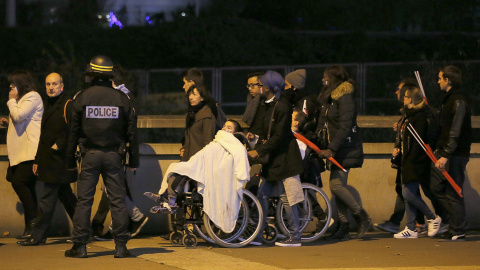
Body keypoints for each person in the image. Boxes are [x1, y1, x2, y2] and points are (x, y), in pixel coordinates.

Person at [65, 55, 139, 258]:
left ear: (91, 75)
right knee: (117, 200)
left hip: (89, 155)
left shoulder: (82, 97)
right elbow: (132, 132)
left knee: (84, 201)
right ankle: (121, 246)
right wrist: (134, 160)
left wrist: (69, 159)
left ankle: (80, 246)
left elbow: (73, 131)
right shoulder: (121, 98)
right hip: (114, 156)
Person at [17, 73, 78, 246]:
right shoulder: (48, 104)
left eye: (54, 84)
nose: (51, 87)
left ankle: (38, 236)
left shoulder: (67, 104)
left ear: (62, 86)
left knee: (46, 200)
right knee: (67, 198)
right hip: (51, 161)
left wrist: (58, 145)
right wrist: (37, 159)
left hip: (59, 161)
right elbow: (44, 137)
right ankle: (85, 231)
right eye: (48, 84)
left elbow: (73, 130)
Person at [248, 70, 304, 247]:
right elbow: (265, 130)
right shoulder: (267, 103)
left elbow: (279, 136)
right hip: (274, 159)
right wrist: (254, 137)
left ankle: (295, 236)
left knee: (288, 197)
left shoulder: (282, 106)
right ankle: (258, 234)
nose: (260, 87)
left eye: (262, 84)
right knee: (262, 196)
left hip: (286, 158)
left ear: (270, 88)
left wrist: (260, 151)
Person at [91, 66, 148, 239]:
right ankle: (119, 225)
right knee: (115, 187)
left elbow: (125, 127)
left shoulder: (120, 97)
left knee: (112, 188)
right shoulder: (127, 96)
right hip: (121, 149)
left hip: (117, 148)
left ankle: (134, 217)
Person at [316, 65, 370, 240]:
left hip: (345, 149)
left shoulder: (344, 98)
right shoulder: (329, 98)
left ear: (333, 78)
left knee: (336, 186)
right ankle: (343, 225)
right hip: (337, 148)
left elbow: (345, 125)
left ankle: (361, 216)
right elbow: (323, 123)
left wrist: (332, 148)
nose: (322, 79)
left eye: (325, 76)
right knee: (336, 188)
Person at [392, 85, 442, 239]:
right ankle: (411, 227)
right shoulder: (409, 116)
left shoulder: (418, 117)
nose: (404, 99)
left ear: (412, 99)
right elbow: (407, 141)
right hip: (408, 160)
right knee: (408, 193)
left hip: (414, 162)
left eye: (406, 97)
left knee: (408, 193)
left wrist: (410, 160)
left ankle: (432, 217)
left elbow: (417, 144)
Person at [431, 65, 472, 241]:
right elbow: (444, 124)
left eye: (440, 78)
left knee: (454, 191)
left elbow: (455, 131)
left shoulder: (458, 100)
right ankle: (456, 223)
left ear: (448, 80)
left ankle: (458, 228)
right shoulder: (449, 100)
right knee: (436, 186)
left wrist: (446, 154)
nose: (438, 81)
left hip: (455, 154)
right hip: (447, 151)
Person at [2, 70, 43, 240]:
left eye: (13, 83)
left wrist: (11, 101)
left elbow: (19, 116)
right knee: (21, 183)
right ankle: (31, 227)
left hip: (29, 152)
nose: (11, 87)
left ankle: (34, 222)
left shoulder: (32, 97)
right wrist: (7, 122)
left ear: (21, 83)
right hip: (20, 153)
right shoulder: (23, 100)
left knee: (20, 182)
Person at [243, 71, 266, 147]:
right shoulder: (251, 100)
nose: (249, 88)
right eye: (248, 85)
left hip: (262, 141)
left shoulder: (266, 102)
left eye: (252, 85)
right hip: (252, 138)